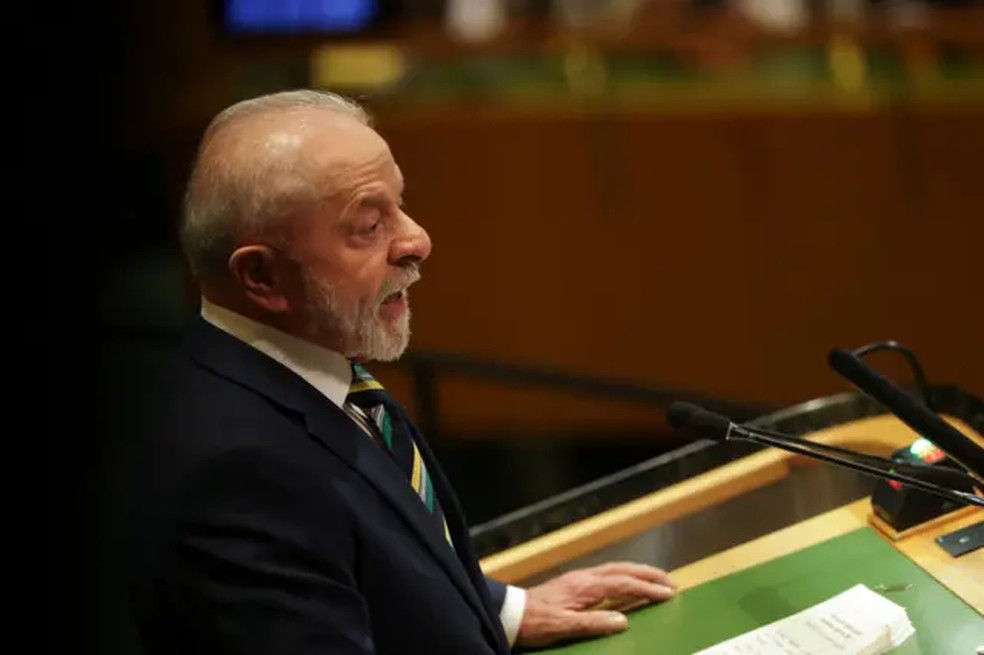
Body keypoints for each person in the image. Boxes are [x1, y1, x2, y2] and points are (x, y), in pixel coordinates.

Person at [125, 89, 677, 655]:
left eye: (399, 204)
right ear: (262, 277)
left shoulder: (300, 368)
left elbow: (363, 556)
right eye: (369, 225)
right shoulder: (238, 476)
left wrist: (500, 612)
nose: (417, 241)